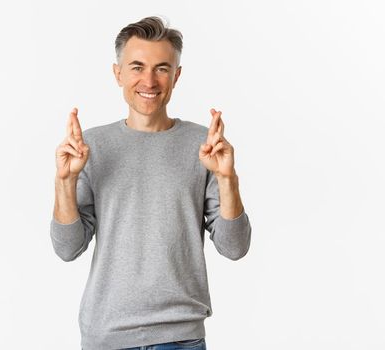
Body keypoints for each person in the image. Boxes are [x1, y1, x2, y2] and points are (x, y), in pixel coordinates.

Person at [51, 16, 251, 350]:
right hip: (108, 335)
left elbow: (234, 247)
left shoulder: (204, 146)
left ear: (177, 75)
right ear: (118, 74)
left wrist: (227, 178)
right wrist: (65, 182)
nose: (149, 80)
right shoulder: (91, 147)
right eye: (137, 67)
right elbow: (67, 247)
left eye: (161, 68)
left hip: (181, 336)